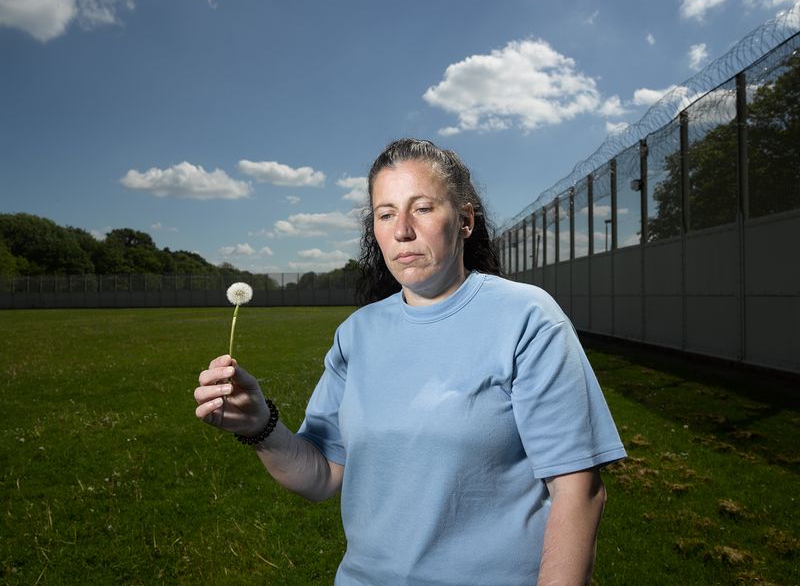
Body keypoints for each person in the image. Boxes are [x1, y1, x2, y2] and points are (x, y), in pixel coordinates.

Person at [194, 138, 626, 585]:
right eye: (385, 214)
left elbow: (579, 491)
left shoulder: (526, 317)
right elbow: (322, 476)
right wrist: (259, 426)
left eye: (421, 208)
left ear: (464, 220)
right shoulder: (356, 334)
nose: (402, 230)